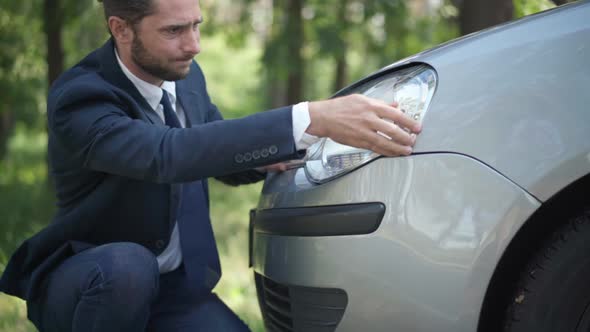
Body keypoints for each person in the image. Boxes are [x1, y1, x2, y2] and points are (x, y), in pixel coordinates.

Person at [0, 0, 421, 331]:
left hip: (176, 291)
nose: (194, 44)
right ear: (121, 29)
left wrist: (303, 147)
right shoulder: (81, 98)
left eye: (196, 25)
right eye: (174, 30)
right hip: (91, 283)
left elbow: (217, 154)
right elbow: (166, 153)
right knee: (129, 268)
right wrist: (307, 115)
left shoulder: (187, 76)